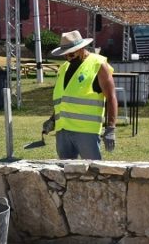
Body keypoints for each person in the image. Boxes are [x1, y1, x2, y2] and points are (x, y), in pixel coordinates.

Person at [45, 30, 118, 160]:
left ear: (81, 48)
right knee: (65, 173)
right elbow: (63, 100)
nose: (68, 58)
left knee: (92, 172)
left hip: (86, 132)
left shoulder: (98, 65)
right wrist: (52, 120)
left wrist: (110, 128)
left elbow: (111, 98)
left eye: (71, 54)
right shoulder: (64, 68)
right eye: (65, 55)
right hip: (63, 131)